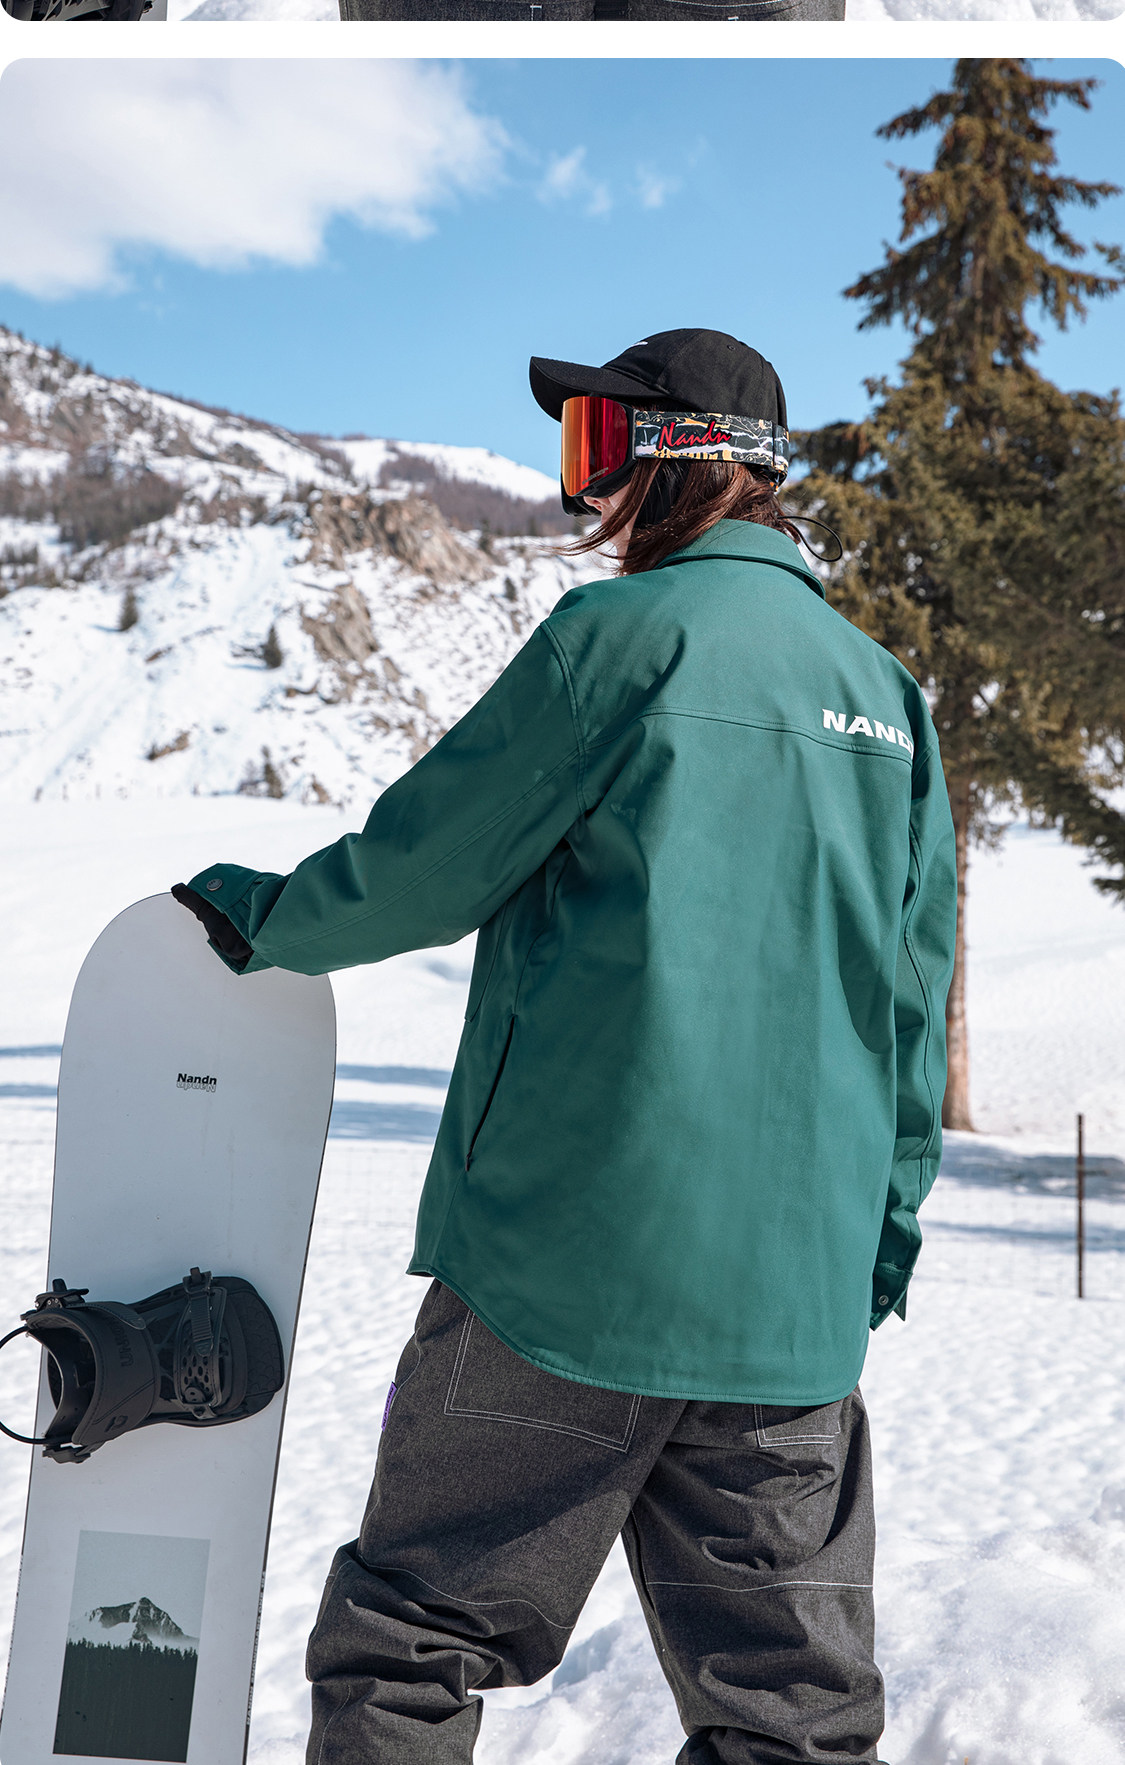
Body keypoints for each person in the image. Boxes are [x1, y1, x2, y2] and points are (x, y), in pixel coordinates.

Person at [174, 326, 957, 1765]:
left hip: (564, 1279)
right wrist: (871, 1254)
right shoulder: (889, 702)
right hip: (789, 1315)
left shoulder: (614, 642)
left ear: (687, 460)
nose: (583, 488)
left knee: (411, 1645)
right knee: (790, 1718)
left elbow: (424, 869)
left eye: (597, 444)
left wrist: (257, 920)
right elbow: (910, 1017)